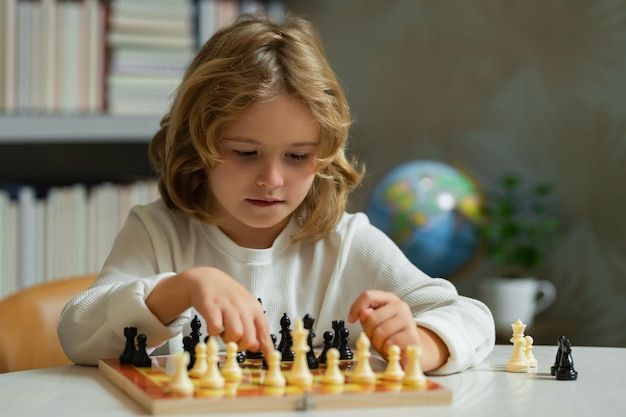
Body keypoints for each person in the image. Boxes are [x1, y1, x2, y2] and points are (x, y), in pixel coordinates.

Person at [58, 13, 494, 375]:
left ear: (324, 155)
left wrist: (422, 340)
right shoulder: (158, 233)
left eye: (298, 156)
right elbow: (77, 333)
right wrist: (179, 289)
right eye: (245, 153)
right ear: (198, 145)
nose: (272, 179)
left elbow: (473, 317)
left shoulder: (345, 244)